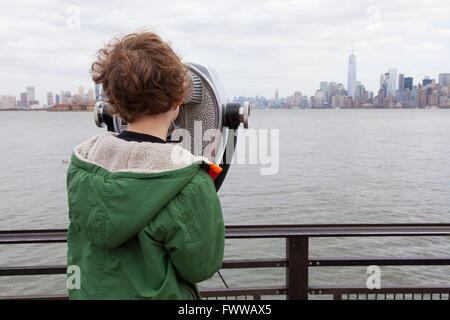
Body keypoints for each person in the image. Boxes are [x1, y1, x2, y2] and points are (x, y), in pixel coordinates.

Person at [66, 31, 225, 299]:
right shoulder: (190, 182)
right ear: (180, 98)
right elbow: (201, 266)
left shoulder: (82, 168)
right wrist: (202, 176)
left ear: (113, 102)